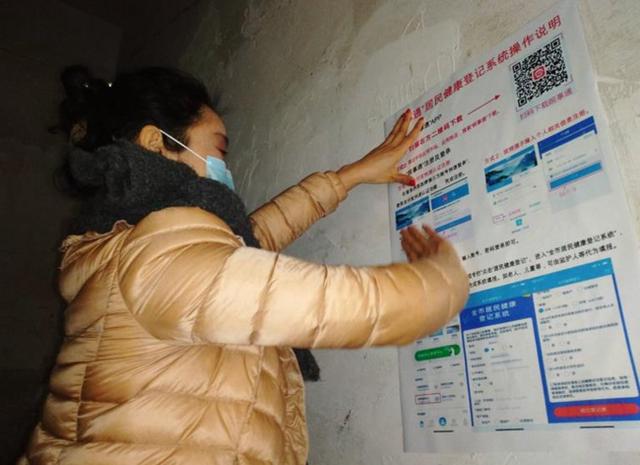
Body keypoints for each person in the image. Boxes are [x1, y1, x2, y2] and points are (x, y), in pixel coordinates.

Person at [18, 66, 469, 465]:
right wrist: (443, 278)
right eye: (220, 150)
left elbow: (251, 239)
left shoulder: (131, 243)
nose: (224, 168)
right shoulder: (156, 250)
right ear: (157, 143)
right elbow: (329, 304)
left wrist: (350, 176)